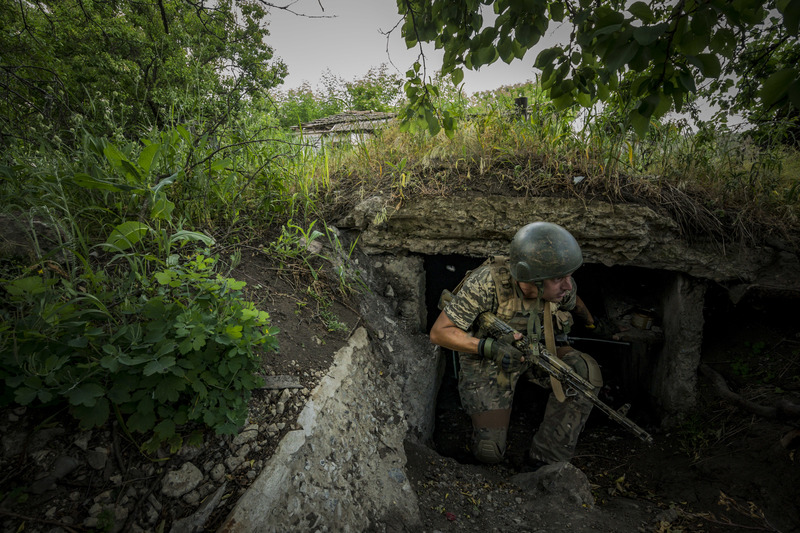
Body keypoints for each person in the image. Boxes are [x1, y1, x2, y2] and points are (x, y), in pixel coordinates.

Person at [429, 221, 604, 468]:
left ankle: (547, 459)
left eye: (569, 277)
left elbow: (574, 303)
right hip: (490, 360)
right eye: (558, 279)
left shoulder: (560, 286)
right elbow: (439, 333)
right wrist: (489, 348)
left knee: (585, 372)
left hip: (536, 353)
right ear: (533, 277)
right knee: (489, 453)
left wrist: (592, 323)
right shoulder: (487, 283)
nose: (567, 285)